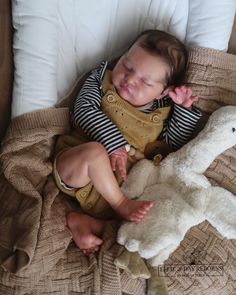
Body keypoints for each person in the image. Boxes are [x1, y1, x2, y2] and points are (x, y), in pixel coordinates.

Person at [53, 29, 201, 254]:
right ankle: (119, 205)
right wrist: (113, 143)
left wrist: (183, 111)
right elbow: (82, 111)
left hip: (119, 192)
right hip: (78, 168)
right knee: (95, 152)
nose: (129, 79)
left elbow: (173, 148)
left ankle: (87, 224)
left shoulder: (161, 113)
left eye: (145, 81)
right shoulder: (100, 81)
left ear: (163, 93)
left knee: (155, 215)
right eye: (127, 66)